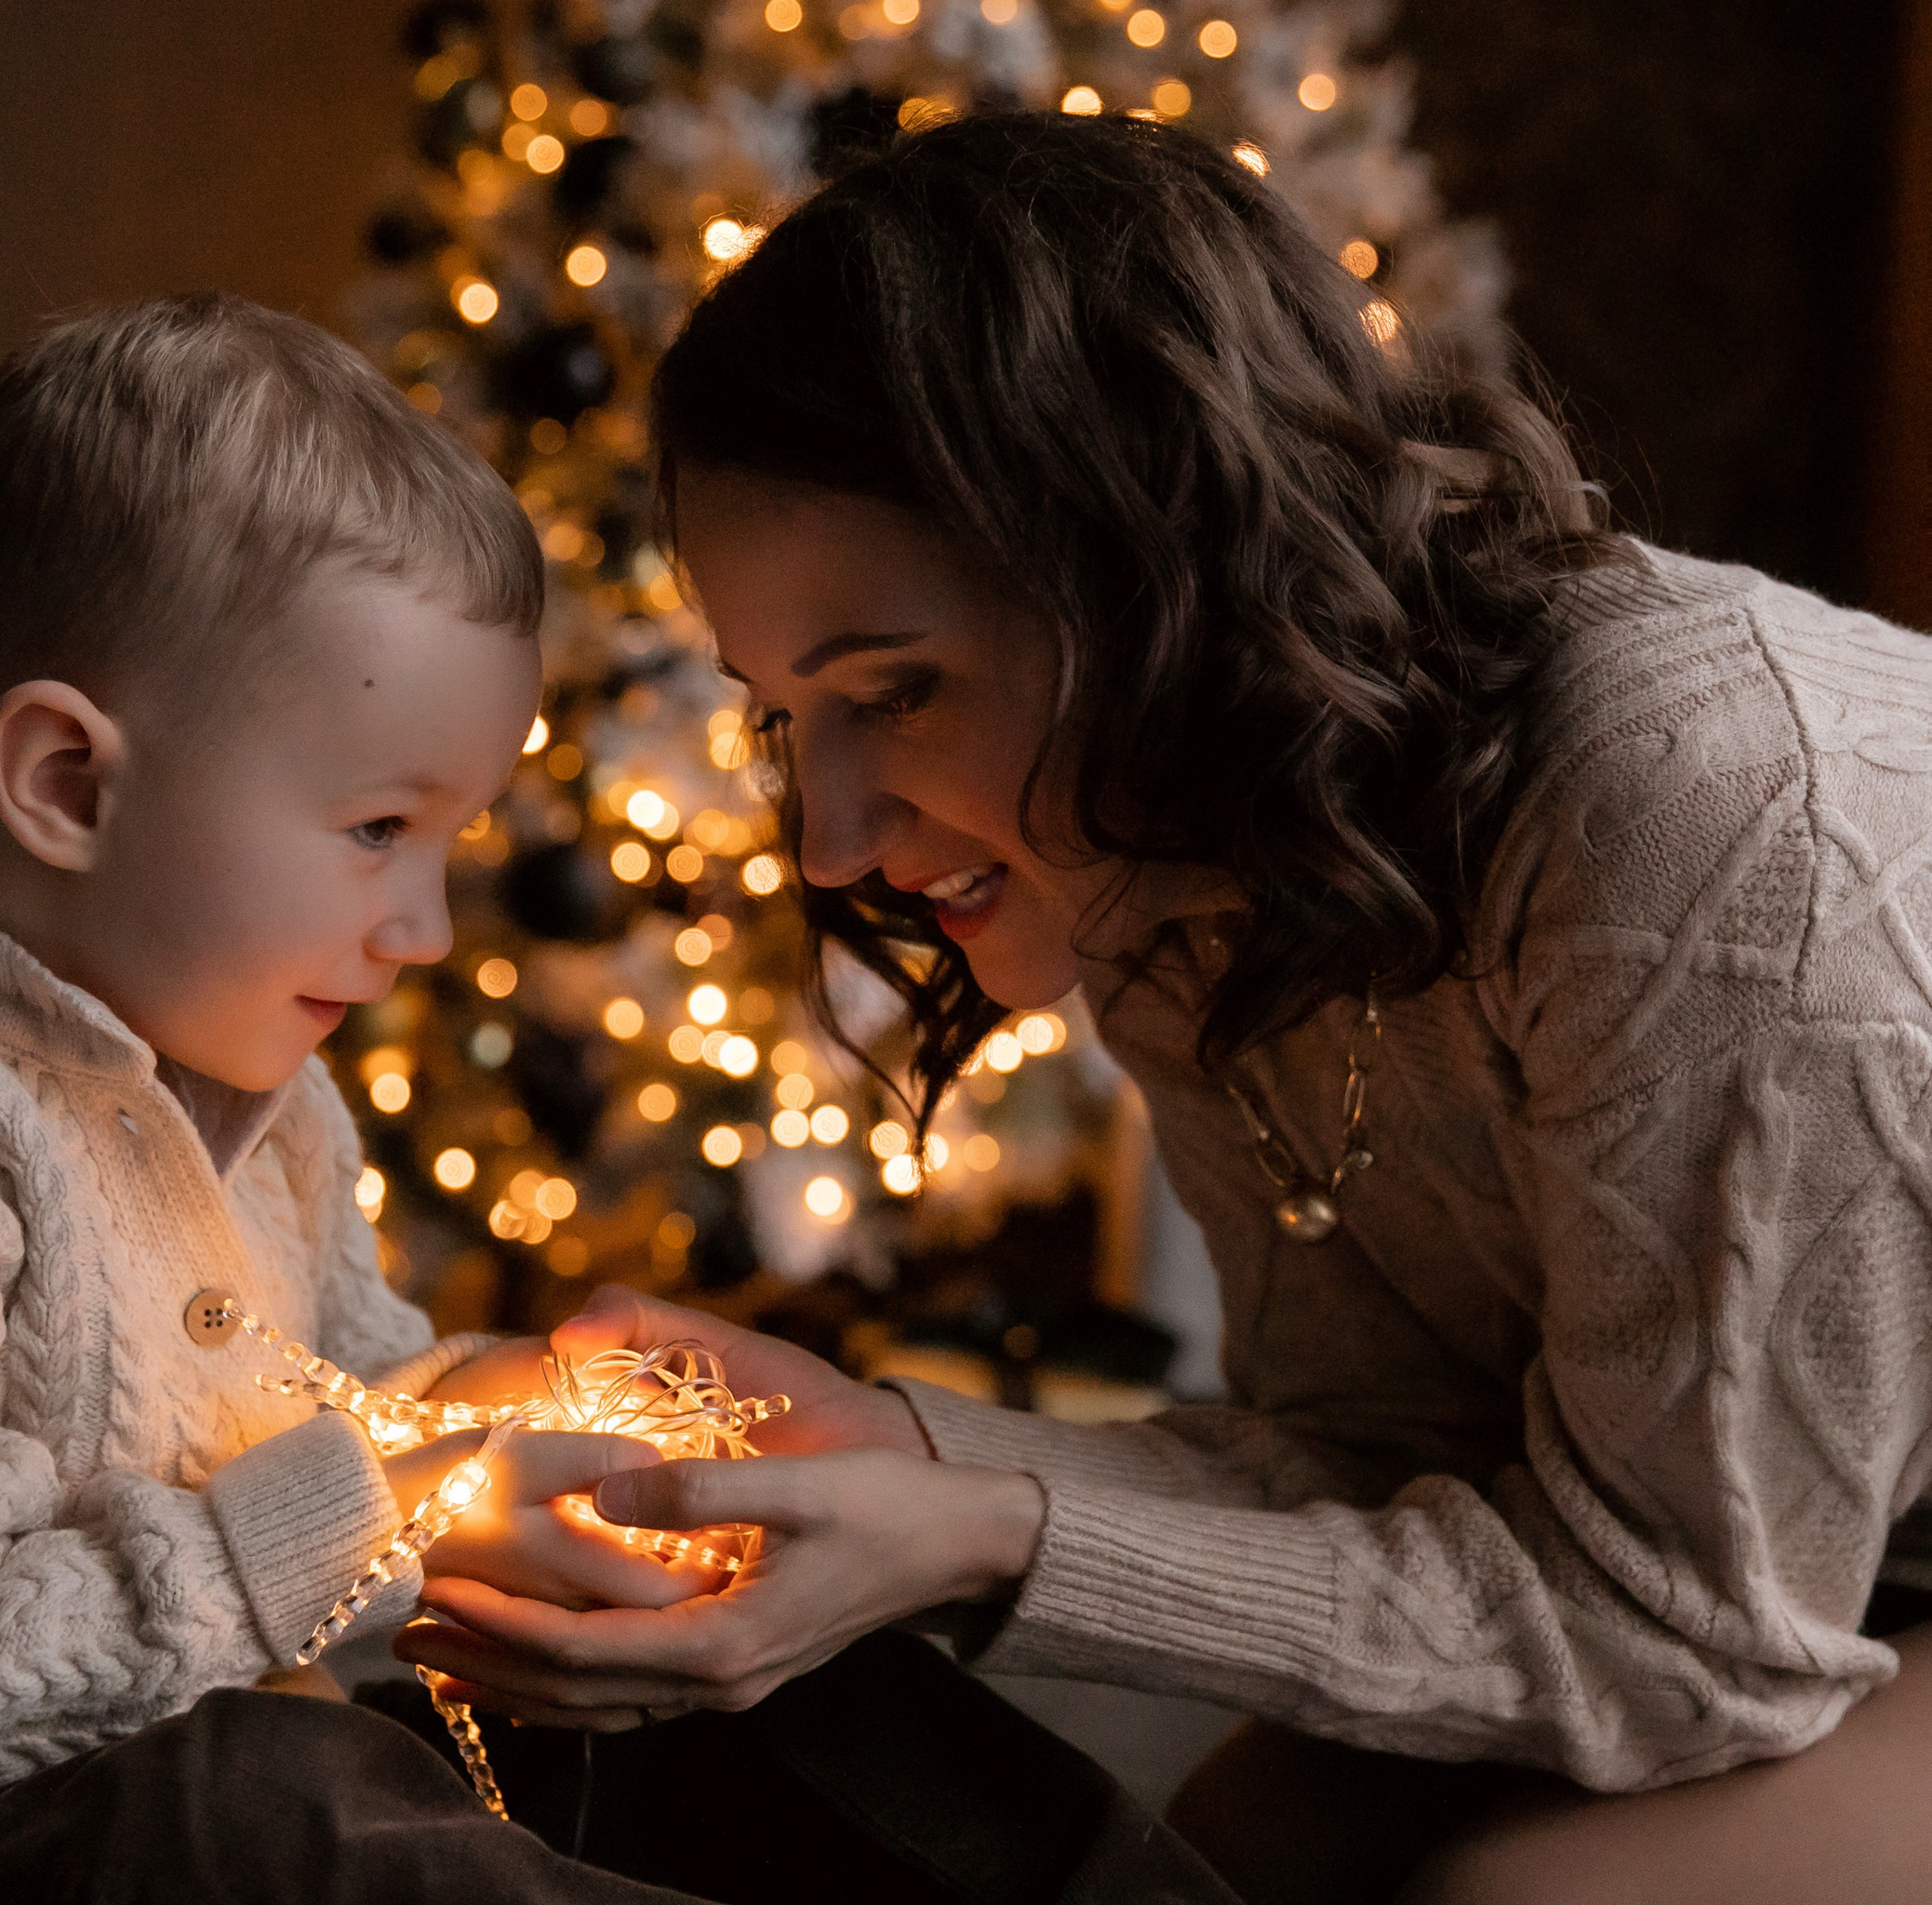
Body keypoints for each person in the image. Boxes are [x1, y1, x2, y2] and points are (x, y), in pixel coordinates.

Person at [395, 113, 1932, 1903]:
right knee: (1188, 1870)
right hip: (1782, 1557)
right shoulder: (1182, 852)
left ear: (1155, 581)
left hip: (1772, 1592)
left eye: (890, 692)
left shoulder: (1711, 818)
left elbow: (1693, 1642)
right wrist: (883, 1443)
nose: (828, 840)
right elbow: (1387, 1455)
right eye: (781, 715)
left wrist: (980, 1541)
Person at [0, 294, 699, 1903]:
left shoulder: (261, 1091)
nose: (425, 928)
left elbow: (333, 1418)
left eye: (454, 845)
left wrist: (482, 1413)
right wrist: (378, 1511)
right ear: (69, 785)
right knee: (267, 1805)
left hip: (128, 1783)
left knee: (645, 1721)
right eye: (380, 829)